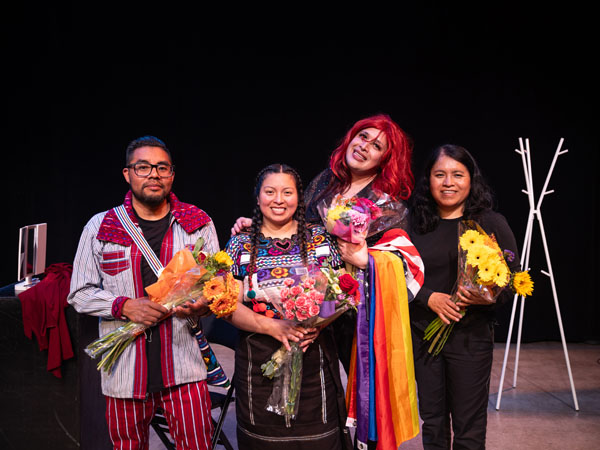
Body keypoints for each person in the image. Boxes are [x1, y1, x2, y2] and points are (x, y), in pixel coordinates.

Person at [231, 115, 424, 449]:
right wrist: (258, 225)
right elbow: (293, 226)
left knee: (364, 405)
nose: (365, 146)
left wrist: (364, 260)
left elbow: (397, 263)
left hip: (358, 319)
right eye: (362, 136)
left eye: (377, 146)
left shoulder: (386, 205)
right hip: (312, 313)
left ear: (385, 159)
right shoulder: (325, 183)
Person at [68, 136, 217, 449]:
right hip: (124, 372)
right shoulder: (101, 226)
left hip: (184, 367)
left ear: (172, 174)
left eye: (162, 168)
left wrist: (203, 304)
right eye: (143, 167)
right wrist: (123, 306)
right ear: (127, 174)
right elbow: (79, 293)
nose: (154, 175)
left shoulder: (197, 223)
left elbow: (216, 287)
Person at [224, 163, 353, 450]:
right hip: (259, 362)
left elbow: (343, 292)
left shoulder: (321, 239)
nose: (279, 200)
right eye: (270, 192)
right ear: (258, 198)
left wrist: (316, 324)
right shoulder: (240, 245)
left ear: (299, 198)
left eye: (287, 192)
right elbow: (225, 304)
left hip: (313, 356)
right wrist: (273, 326)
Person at [408, 144, 521, 450]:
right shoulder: (411, 224)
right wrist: (428, 298)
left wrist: (487, 297)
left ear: (471, 179)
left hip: (471, 338)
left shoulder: (490, 223)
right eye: (439, 174)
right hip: (422, 335)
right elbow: (395, 277)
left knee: (469, 425)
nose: (448, 182)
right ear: (427, 180)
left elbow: (512, 279)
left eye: (457, 174)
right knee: (432, 421)